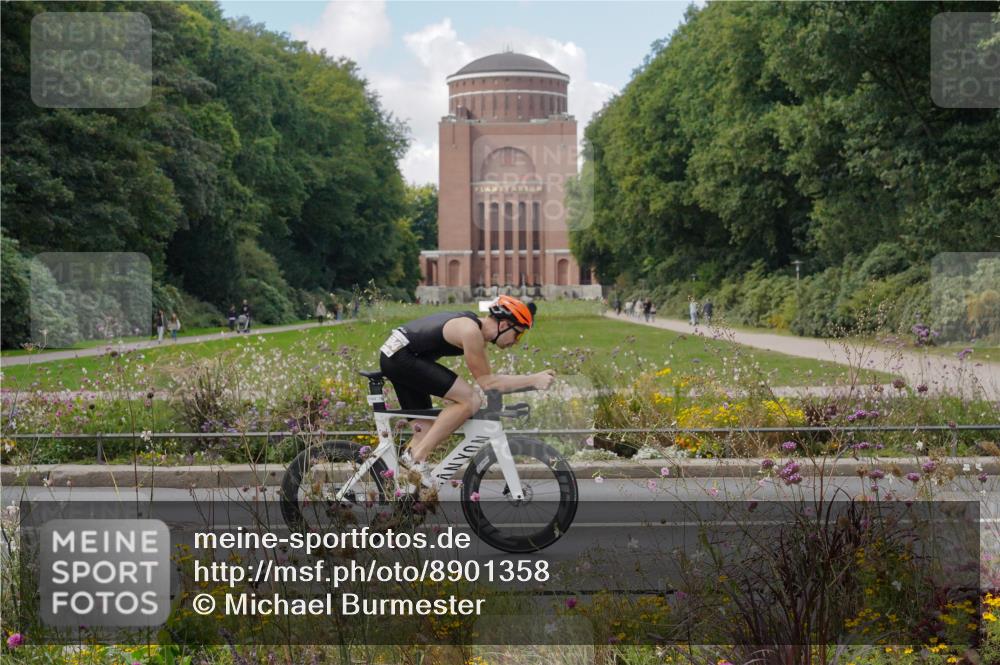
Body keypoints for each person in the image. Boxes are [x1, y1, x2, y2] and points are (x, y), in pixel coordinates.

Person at [378, 295, 555, 486]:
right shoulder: (470, 332)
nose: (517, 341)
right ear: (504, 325)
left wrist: (532, 381)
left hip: (397, 355)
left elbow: (490, 381)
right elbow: (489, 384)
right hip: (401, 357)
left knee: (425, 430)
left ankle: (402, 494)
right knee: (470, 400)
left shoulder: (474, 329)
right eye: (518, 334)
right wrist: (533, 379)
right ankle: (417, 458)